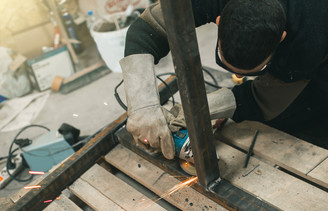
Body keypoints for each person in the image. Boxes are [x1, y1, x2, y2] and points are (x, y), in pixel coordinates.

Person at [119, 0, 328, 159]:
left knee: (301, 116)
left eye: (256, 70)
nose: (237, 77)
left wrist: (213, 106)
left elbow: (273, 97)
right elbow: (149, 27)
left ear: (281, 38)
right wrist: (142, 106)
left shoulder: (311, 38)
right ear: (219, 21)